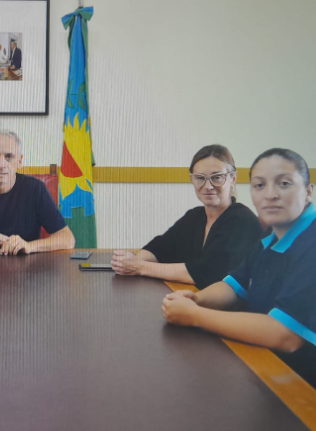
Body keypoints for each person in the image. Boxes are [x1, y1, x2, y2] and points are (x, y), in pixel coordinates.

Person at [163, 148, 316, 387]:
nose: (270, 194)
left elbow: (285, 335)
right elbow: (234, 285)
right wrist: (196, 299)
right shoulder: (271, 237)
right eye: (259, 185)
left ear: (308, 191)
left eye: (284, 184)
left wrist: (194, 315)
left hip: (301, 386)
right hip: (263, 369)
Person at [112, 145, 261, 288]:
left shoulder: (242, 221)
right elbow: (159, 248)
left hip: (233, 305)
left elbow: (205, 273)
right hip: (194, 298)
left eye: (217, 177)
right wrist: (129, 261)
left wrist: (139, 267)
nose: (208, 186)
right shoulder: (195, 216)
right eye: (200, 178)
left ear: (232, 179)